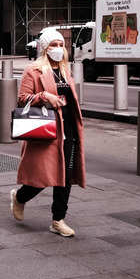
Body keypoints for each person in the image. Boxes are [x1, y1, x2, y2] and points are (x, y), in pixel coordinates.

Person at [10, 27, 86, 237]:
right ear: (44, 48)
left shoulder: (64, 69)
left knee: (66, 176)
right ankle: (20, 197)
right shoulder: (33, 70)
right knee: (43, 177)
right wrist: (44, 96)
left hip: (68, 128)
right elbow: (22, 99)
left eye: (61, 45)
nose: (59, 49)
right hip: (48, 129)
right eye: (54, 45)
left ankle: (58, 220)